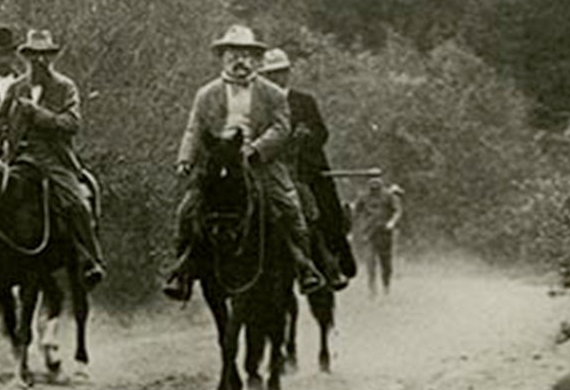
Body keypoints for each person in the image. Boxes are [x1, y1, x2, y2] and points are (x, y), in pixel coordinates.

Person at [163, 24, 327, 302]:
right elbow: (194, 128)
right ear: (223, 57)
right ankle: (183, 272)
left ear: (254, 58)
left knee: (291, 209)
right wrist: (185, 159)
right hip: (218, 163)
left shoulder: (272, 93)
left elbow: (281, 127)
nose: (239, 60)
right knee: (186, 212)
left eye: (245, 54)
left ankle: (304, 266)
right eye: (232, 54)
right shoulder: (206, 94)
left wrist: (256, 150)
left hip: (261, 164)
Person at [0, 28, 106, 288]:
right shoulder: (17, 88)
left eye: (45, 56)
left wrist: (38, 114)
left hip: (54, 160)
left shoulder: (65, 87)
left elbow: (72, 123)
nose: (39, 61)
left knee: (78, 203)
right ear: (26, 57)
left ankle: (91, 259)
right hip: (20, 160)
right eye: (33, 56)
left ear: (52, 58)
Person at [260, 47, 355, 288]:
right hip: (268, 166)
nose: (274, 78)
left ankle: (335, 262)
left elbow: (322, 132)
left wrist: (304, 140)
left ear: (287, 73)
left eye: (279, 72)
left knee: (324, 207)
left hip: (305, 168)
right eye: (269, 74)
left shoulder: (304, 101)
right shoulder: (259, 103)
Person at [352, 174, 403, 295]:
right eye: (372, 183)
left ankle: (386, 287)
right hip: (369, 233)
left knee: (386, 262)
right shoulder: (363, 197)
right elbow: (355, 212)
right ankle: (372, 289)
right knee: (370, 262)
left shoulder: (388, 196)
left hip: (385, 233)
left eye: (377, 183)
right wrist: (354, 228)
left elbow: (397, 211)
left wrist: (392, 222)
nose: (374, 186)